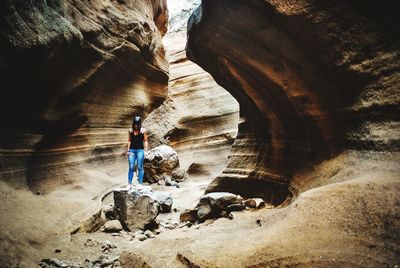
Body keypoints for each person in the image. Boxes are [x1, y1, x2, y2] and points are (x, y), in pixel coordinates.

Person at [126, 115, 148, 189]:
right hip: (132, 150)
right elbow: (129, 140)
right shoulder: (130, 130)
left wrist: (145, 150)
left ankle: (140, 184)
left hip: (140, 150)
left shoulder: (143, 131)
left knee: (139, 166)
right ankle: (129, 184)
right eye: (135, 124)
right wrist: (128, 150)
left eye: (137, 124)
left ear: (139, 124)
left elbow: (145, 141)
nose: (136, 126)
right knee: (131, 167)